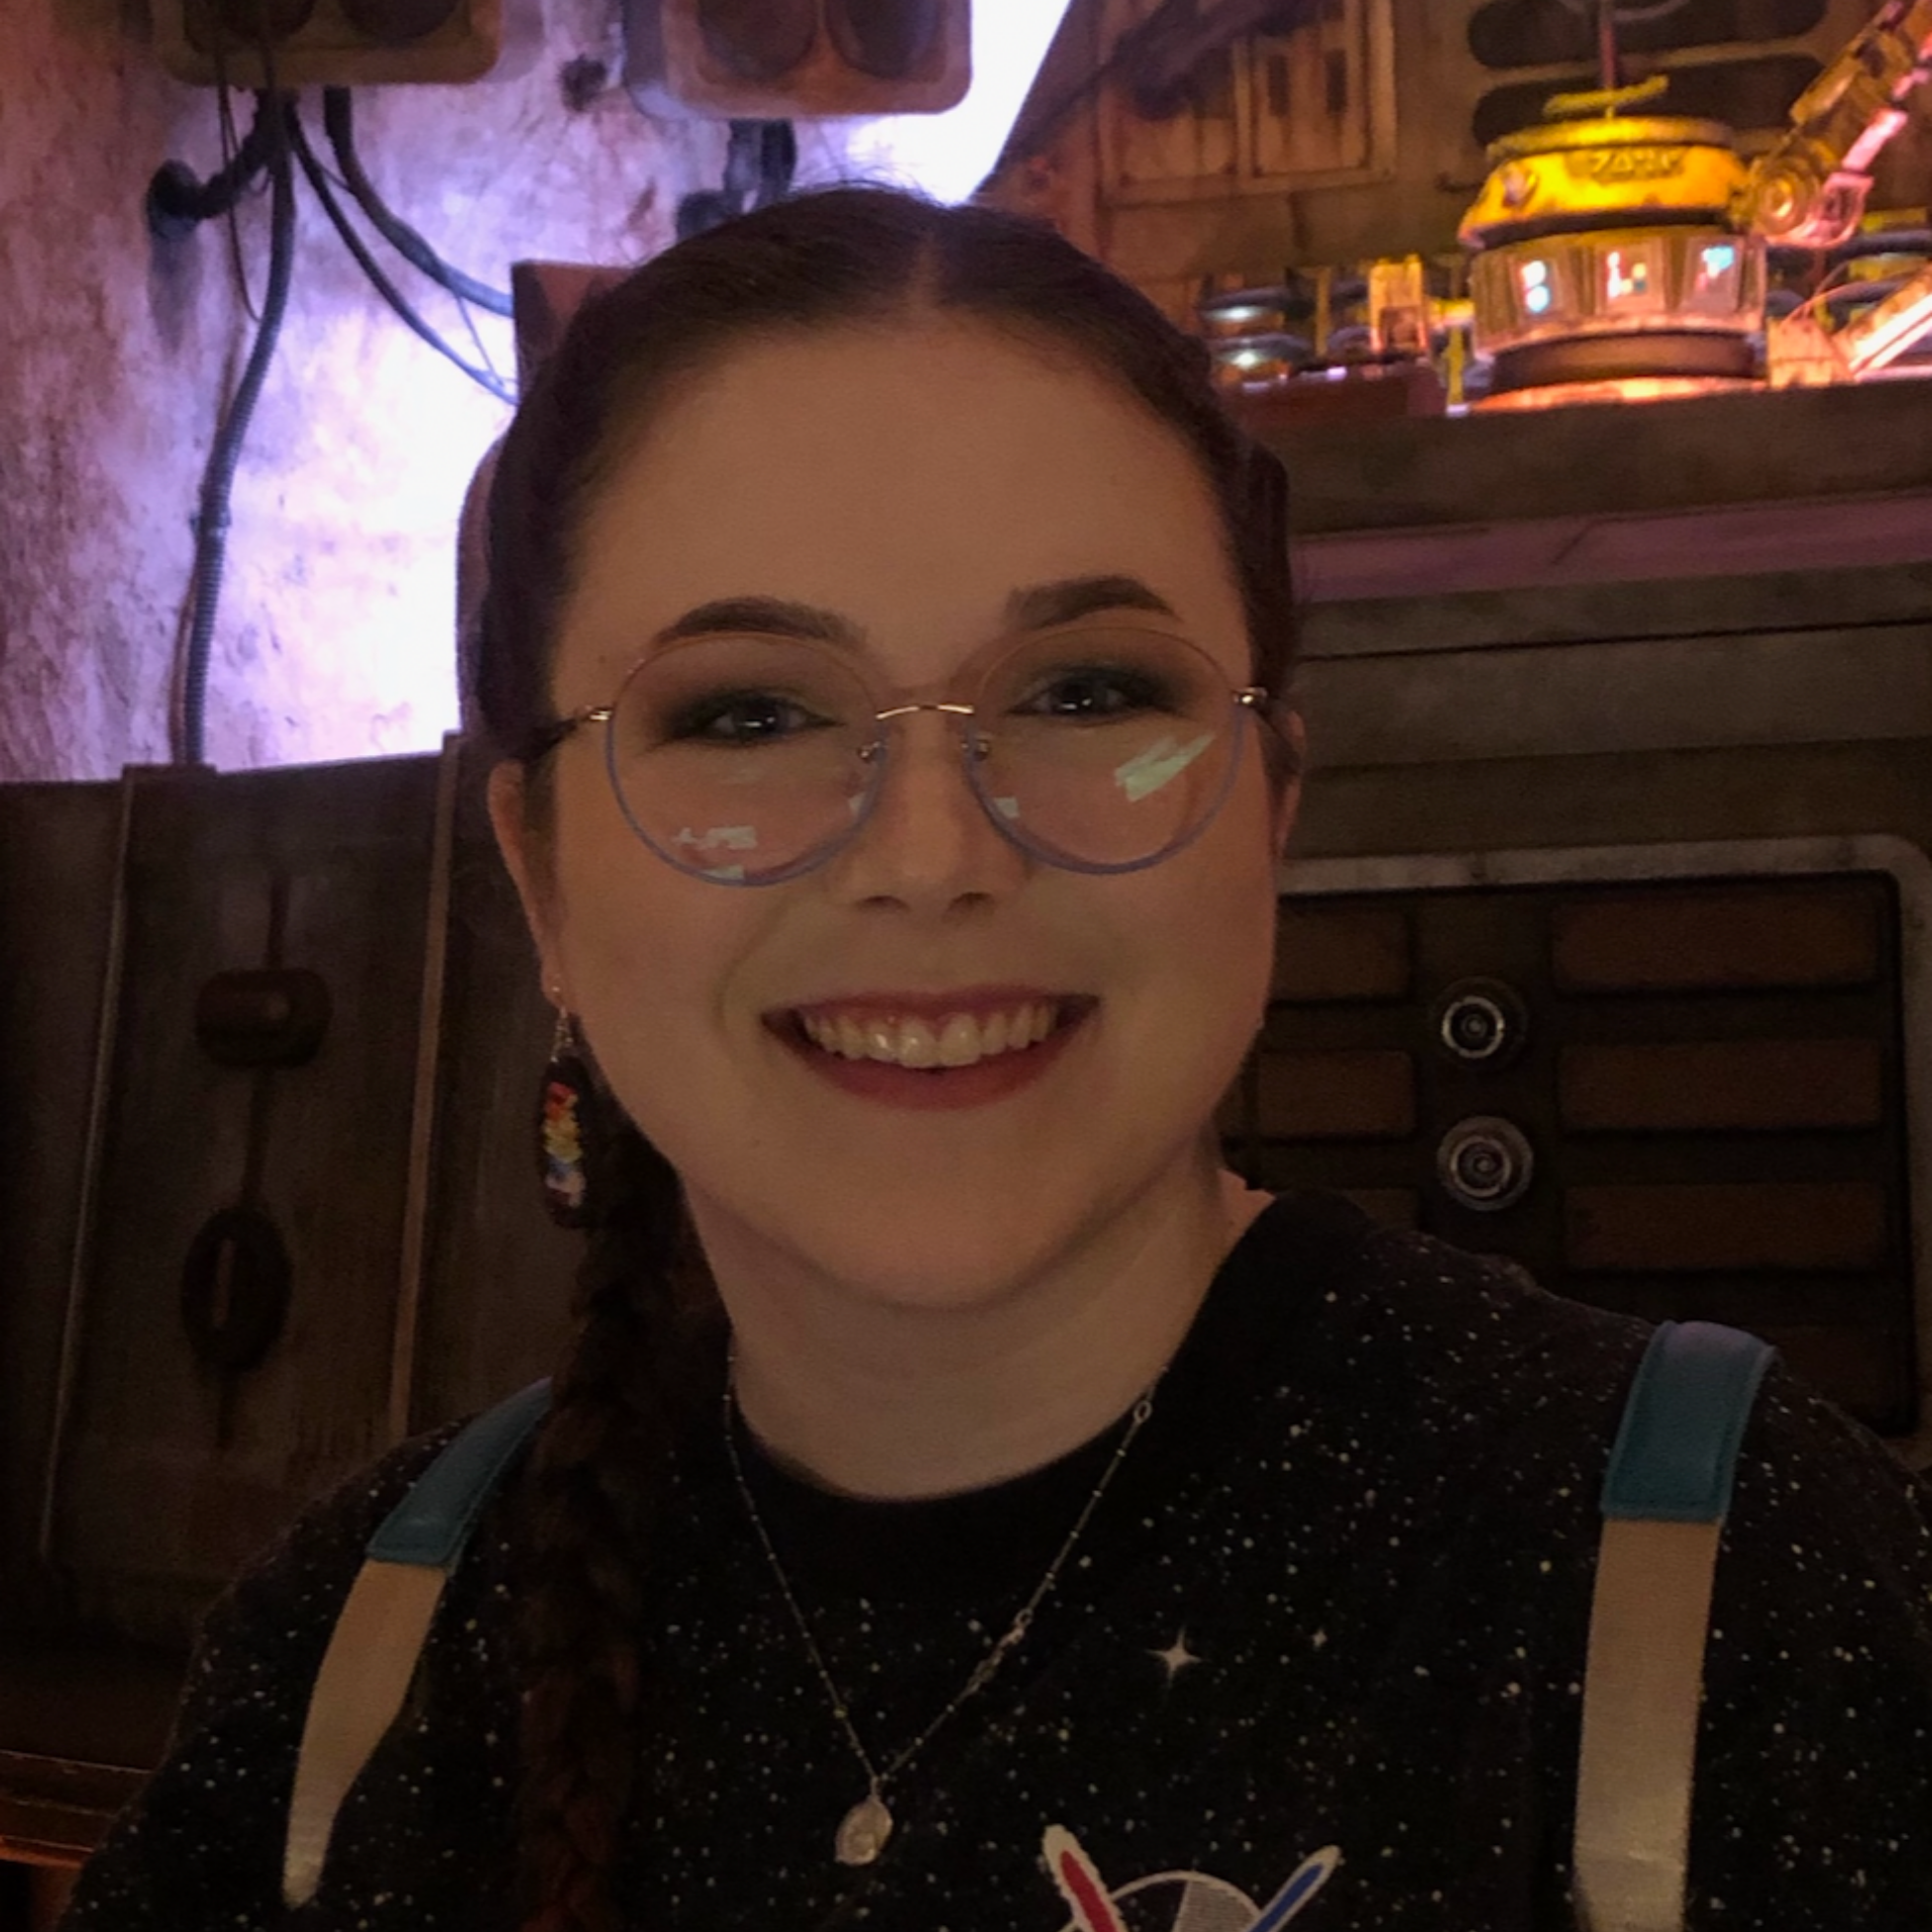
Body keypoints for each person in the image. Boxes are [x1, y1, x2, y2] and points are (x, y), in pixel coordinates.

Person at [58, 183, 1932, 1932]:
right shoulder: (363, 1654)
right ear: (535, 871)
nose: (931, 855)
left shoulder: (1734, 1589)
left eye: (1086, 692)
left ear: (1269, 807)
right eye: (751, 713)